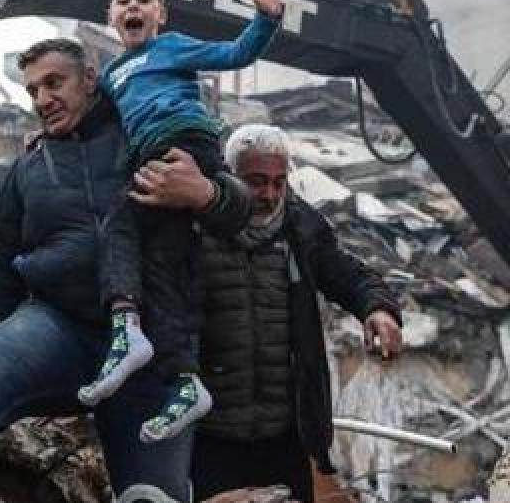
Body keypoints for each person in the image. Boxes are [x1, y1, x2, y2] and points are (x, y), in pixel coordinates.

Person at [0, 38, 253, 503]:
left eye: (54, 83)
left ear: (91, 79)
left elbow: (241, 208)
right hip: (58, 325)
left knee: (154, 494)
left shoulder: (146, 135)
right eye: (32, 90)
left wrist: (205, 194)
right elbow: (0, 269)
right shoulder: (28, 169)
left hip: (154, 343)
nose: (42, 100)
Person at [132, 124, 404, 502]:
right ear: (227, 176)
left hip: (283, 438)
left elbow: (349, 275)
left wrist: (379, 310)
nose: (269, 194)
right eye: (256, 181)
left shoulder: (299, 228)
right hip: (209, 439)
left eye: (279, 182)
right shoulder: (188, 230)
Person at [80, 0, 284, 443]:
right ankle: (186, 382)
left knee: (119, 224)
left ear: (160, 14)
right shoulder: (112, 76)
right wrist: (43, 136)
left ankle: (125, 324)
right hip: (150, 154)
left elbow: (234, 53)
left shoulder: (171, 47)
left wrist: (266, 19)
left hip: (184, 142)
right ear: (110, 15)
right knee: (165, 271)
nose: (133, 5)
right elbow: (96, 123)